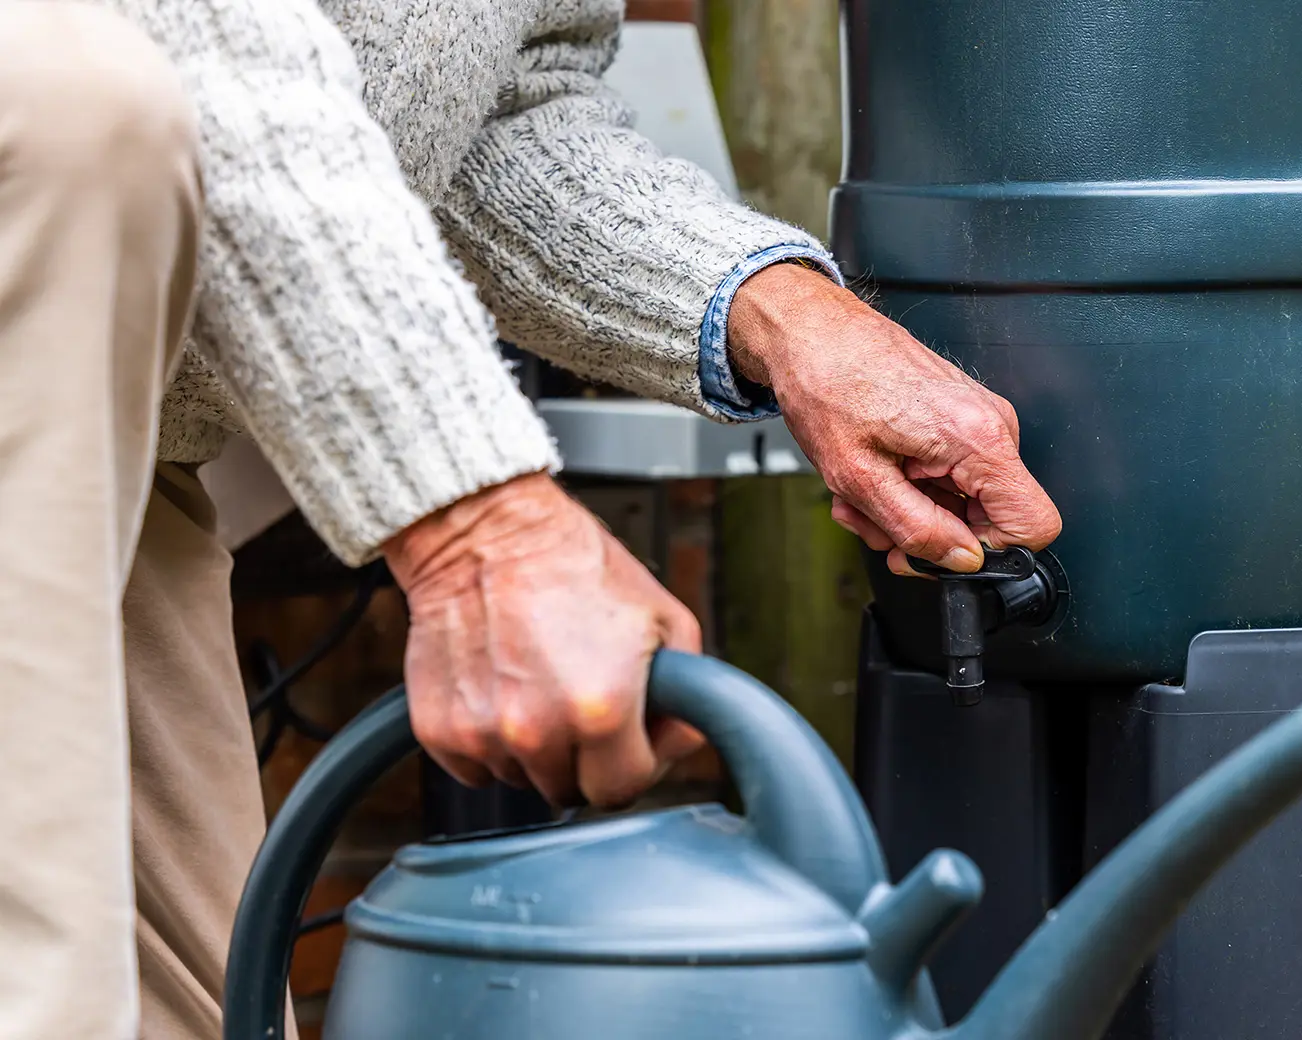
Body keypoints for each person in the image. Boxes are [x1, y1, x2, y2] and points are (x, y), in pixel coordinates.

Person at [0, 0, 1062, 1036]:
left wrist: (787, 317)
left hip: (113, 450)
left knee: (201, 1011)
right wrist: (472, 525)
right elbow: (185, 49)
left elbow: (501, 105)